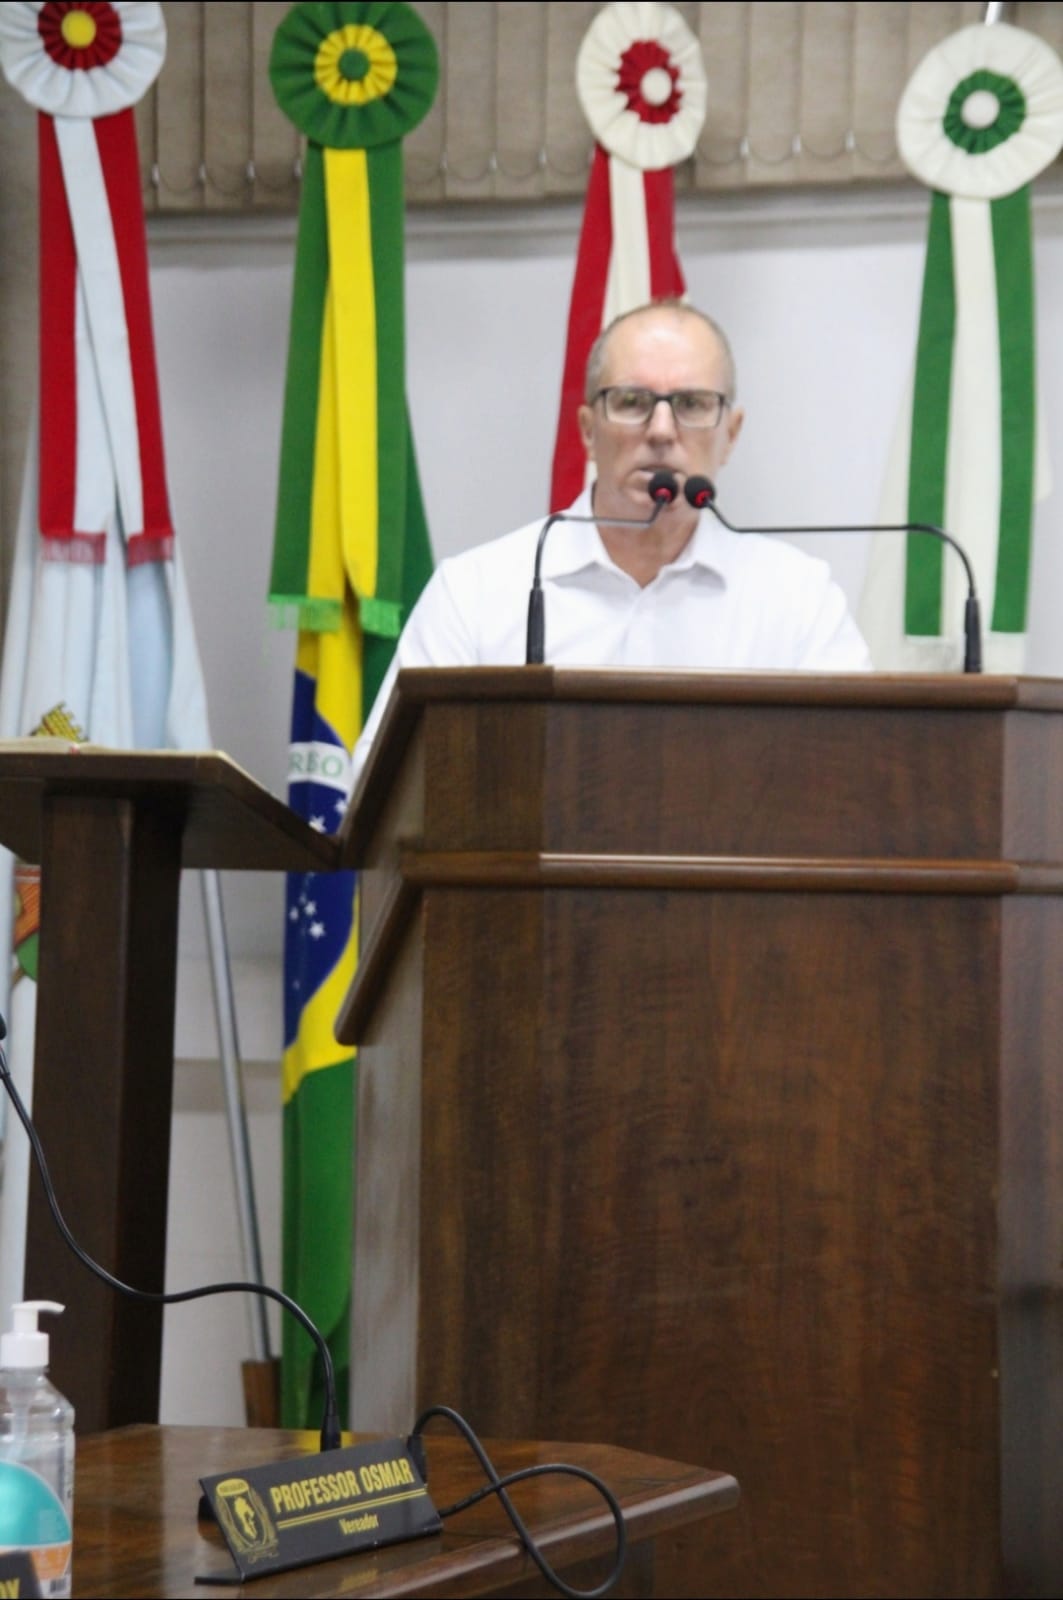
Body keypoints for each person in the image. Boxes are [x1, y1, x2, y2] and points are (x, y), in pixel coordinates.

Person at [353, 299, 869, 775]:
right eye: (631, 401)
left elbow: (855, 779)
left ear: (730, 435)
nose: (662, 430)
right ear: (586, 430)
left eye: (691, 404)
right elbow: (380, 787)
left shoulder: (798, 600)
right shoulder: (477, 594)